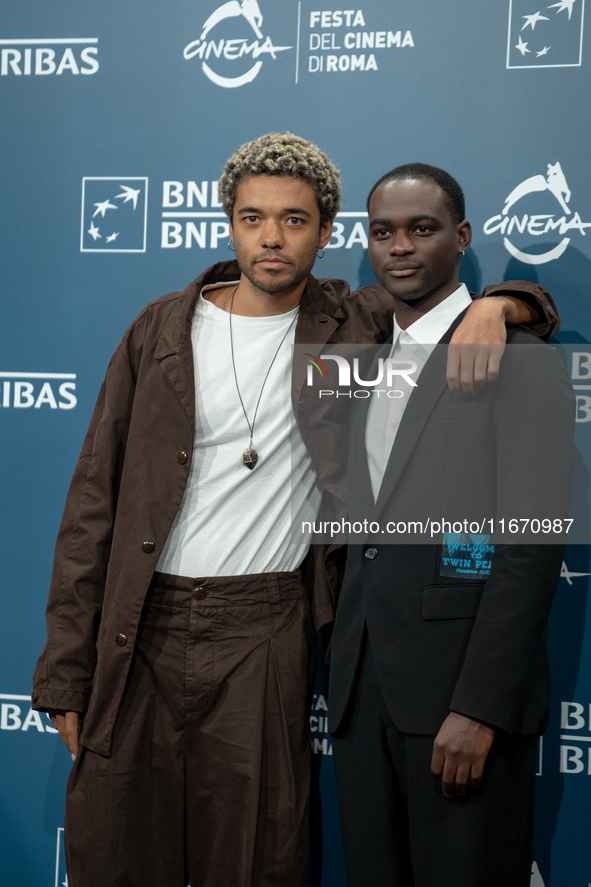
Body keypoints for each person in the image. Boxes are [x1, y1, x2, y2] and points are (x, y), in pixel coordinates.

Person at [31, 135, 557, 887]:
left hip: (267, 624)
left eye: (294, 220)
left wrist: (507, 304)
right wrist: (64, 668)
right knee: (115, 848)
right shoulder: (159, 330)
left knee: (255, 856)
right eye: (252, 217)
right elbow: (92, 503)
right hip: (139, 622)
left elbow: (440, 301)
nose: (271, 237)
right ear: (228, 223)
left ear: (326, 232)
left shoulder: (348, 320)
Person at [328, 163, 575, 887]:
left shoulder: (518, 359)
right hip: (360, 695)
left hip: (460, 706)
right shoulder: (358, 357)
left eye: (421, 228)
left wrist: (478, 705)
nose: (399, 246)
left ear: (461, 238)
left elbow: (528, 549)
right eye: (382, 231)